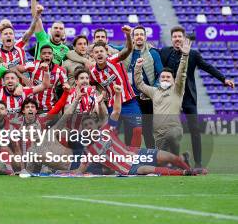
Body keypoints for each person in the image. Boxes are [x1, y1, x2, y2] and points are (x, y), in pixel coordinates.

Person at [75, 85, 204, 176]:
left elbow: (116, 111)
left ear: (95, 124)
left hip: (136, 153)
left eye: (90, 124)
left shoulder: (106, 130)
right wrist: (63, 172)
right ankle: (185, 173)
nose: (89, 127)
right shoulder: (89, 150)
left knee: (170, 157)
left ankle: (190, 168)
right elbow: (80, 170)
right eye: (85, 125)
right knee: (151, 170)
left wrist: (119, 94)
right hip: (129, 168)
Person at [160, 26, 235, 167]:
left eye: (179, 36)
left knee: (195, 130)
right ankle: (169, 161)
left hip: (188, 99)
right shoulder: (164, 52)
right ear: (171, 39)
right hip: (170, 99)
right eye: (174, 37)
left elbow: (207, 67)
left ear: (184, 38)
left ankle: (199, 163)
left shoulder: (193, 54)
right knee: (168, 131)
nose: (177, 39)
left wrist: (223, 79)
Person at [89, 26, 142, 151]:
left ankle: (134, 157)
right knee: (111, 134)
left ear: (106, 52)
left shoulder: (114, 59)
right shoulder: (92, 72)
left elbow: (128, 49)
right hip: (113, 106)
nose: (99, 54)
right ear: (92, 55)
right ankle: (115, 159)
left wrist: (128, 35)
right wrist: (101, 93)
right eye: (96, 52)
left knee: (138, 129)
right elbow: (94, 84)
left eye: (101, 51)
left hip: (130, 102)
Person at [136, 38, 190, 155]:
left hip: (174, 130)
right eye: (163, 77)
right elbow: (139, 84)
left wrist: (184, 56)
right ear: (159, 80)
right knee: (162, 163)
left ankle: (177, 156)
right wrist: (138, 68)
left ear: (173, 80)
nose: (165, 79)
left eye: (168, 77)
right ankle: (182, 159)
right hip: (159, 134)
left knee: (171, 136)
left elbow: (181, 74)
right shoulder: (154, 91)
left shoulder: (177, 90)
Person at [123, 25, 163, 149]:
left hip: (146, 98)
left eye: (141, 34)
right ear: (133, 38)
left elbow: (161, 74)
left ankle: (152, 159)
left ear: (145, 37)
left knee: (147, 131)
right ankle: (129, 161)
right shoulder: (126, 52)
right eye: (136, 34)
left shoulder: (153, 53)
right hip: (130, 98)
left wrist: (151, 91)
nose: (139, 36)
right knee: (129, 131)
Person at [19, 44, 67, 114]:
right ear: (40, 56)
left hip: (49, 108)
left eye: (49, 53)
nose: (47, 55)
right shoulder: (33, 65)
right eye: (44, 53)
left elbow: (66, 87)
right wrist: (22, 78)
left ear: (52, 56)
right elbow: (14, 69)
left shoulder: (60, 70)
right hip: (32, 108)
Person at [29, 0, 69, 64]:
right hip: (37, 74)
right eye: (55, 28)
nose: (58, 30)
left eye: (61, 29)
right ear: (50, 31)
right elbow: (36, 18)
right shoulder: (43, 38)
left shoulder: (66, 50)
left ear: (64, 33)